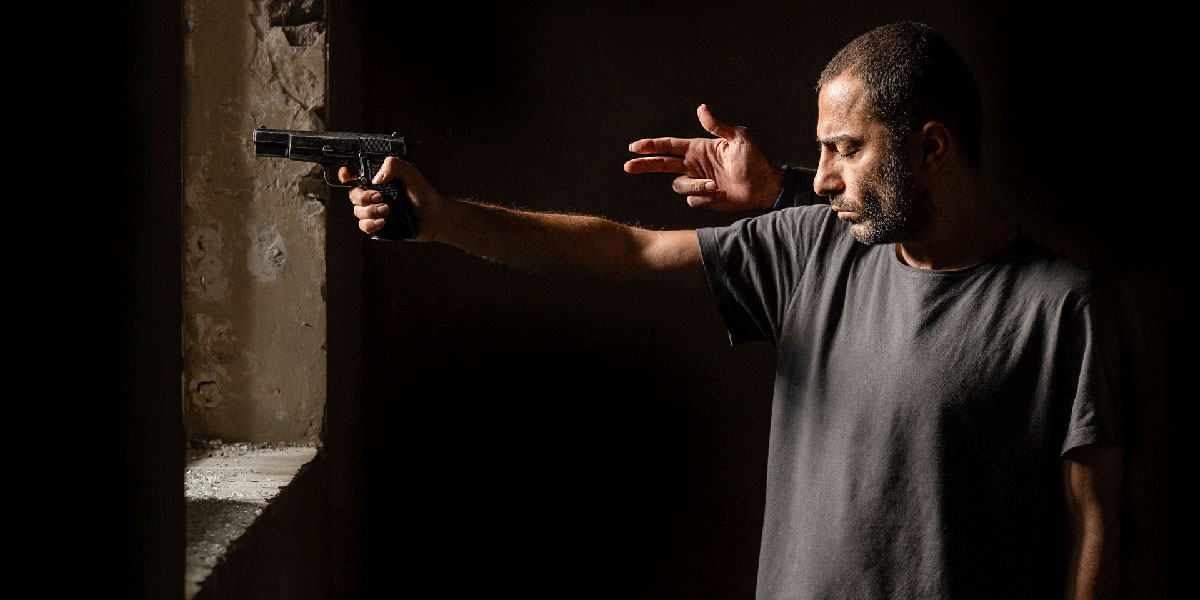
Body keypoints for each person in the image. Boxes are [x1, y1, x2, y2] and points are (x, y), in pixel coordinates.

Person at [340, 21, 1122, 600]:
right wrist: (443, 218)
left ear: (932, 149)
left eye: (845, 149)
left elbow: (1095, 526)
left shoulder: (1060, 307)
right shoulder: (812, 248)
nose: (819, 178)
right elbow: (628, 252)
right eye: (818, 153)